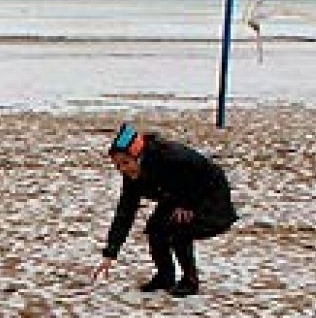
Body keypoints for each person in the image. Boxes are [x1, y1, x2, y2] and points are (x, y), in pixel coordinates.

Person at [90, 122, 237, 297]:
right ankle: (165, 277)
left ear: (138, 156)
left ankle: (190, 281)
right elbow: (125, 212)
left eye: (126, 163)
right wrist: (110, 252)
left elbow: (203, 174)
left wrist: (187, 204)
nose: (123, 169)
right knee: (155, 229)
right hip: (177, 195)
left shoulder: (170, 156)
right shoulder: (131, 176)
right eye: (118, 166)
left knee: (179, 227)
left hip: (210, 196)